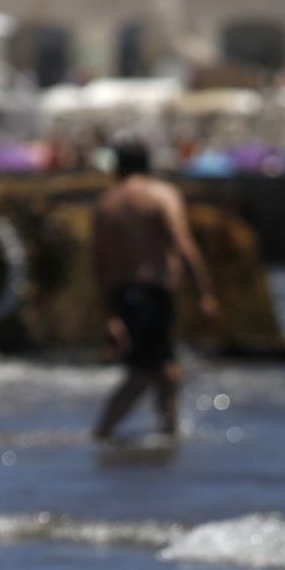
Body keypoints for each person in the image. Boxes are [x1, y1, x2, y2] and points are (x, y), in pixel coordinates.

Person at [89, 141, 222, 441]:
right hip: (153, 293)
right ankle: (102, 433)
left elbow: (98, 262)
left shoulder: (106, 203)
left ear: (117, 167)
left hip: (124, 294)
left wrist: (107, 313)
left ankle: (169, 434)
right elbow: (183, 243)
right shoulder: (161, 195)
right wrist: (205, 293)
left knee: (165, 371)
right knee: (145, 372)